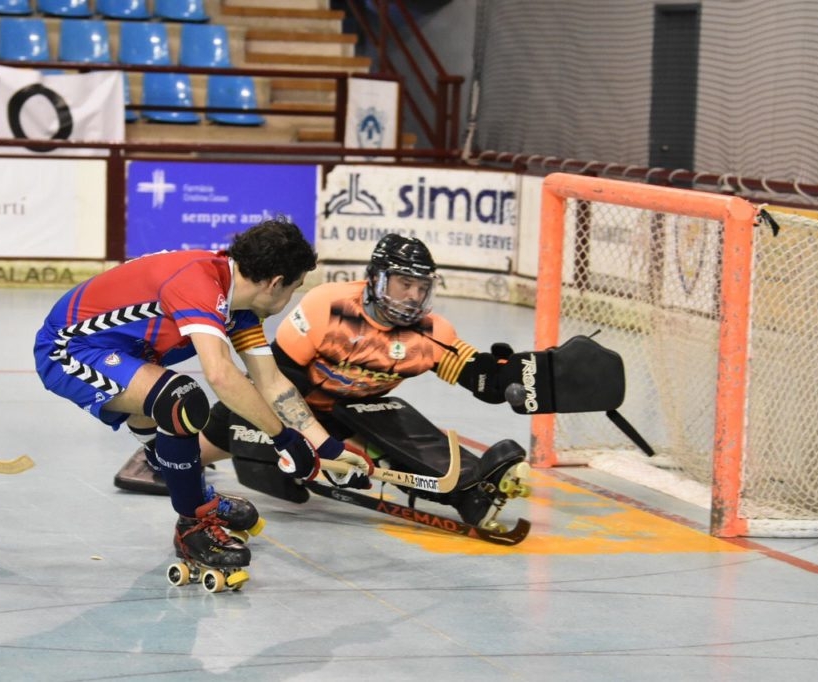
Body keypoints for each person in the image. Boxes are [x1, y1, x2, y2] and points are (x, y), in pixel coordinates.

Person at [116, 233, 530, 530]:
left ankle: (467, 491)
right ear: (377, 280)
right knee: (228, 427)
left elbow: (477, 374)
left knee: (389, 416)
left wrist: (518, 374)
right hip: (300, 405)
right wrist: (307, 442)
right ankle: (161, 460)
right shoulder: (326, 305)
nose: (412, 296)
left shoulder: (431, 329)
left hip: (354, 414)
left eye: (421, 287)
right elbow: (275, 380)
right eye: (404, 284)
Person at [34, 217, 371, 581]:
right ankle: (194, 523)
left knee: (171, 416)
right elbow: (221, 375)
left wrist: (327, 448)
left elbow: (272, 382)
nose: (291, 299)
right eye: (294, 288)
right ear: (275, 283)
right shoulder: (199, 282)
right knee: (182, 400)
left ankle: (196, 496)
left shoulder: (239, 306)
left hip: (130, 355)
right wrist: (285, 440)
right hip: (68, 351)